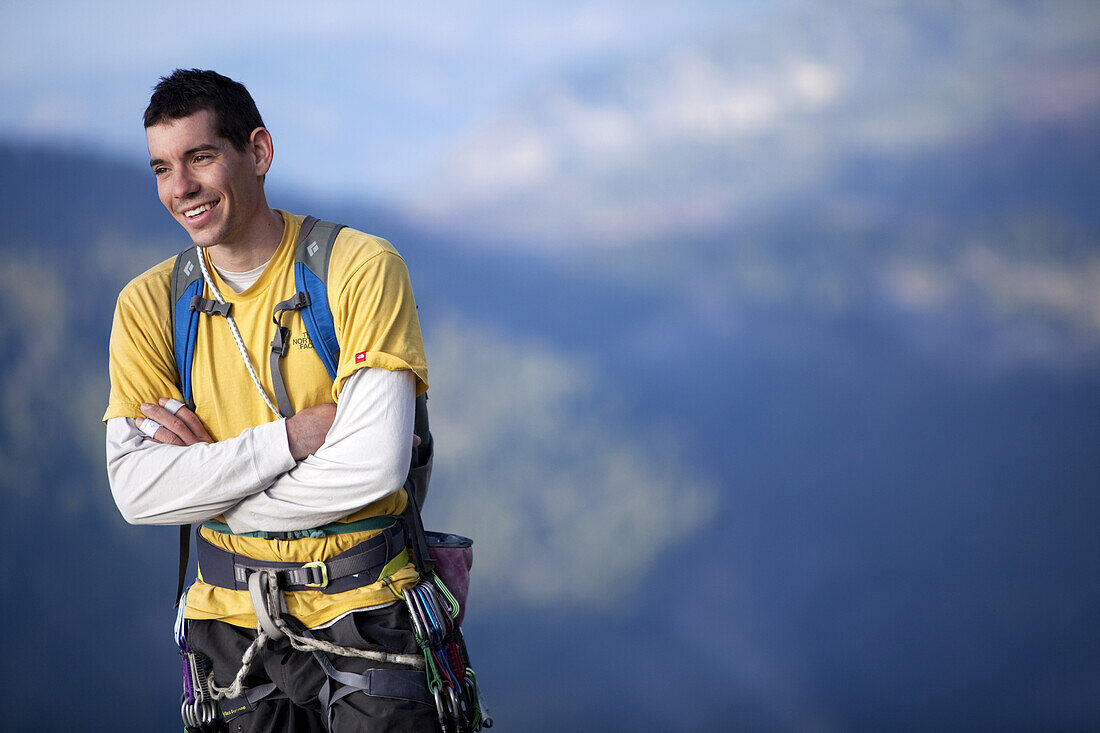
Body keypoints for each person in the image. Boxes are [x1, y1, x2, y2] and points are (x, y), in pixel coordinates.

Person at [103, 68, 438, 732]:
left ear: (257, 152)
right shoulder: (148, 305)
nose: (181, 188)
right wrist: (290, 440)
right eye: (162, 168)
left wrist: (213, 485)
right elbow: (135, 490)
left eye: (200, 157)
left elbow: (374, 466)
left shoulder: (359, 268)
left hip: (367, 613)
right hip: (229, 633)